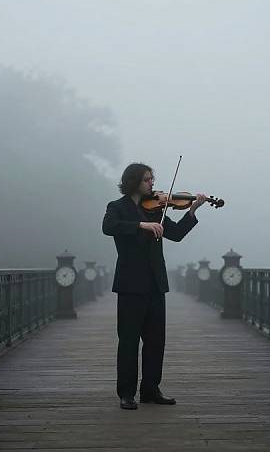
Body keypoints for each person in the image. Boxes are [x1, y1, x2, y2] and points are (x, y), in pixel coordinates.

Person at [102, 162, 206, 410]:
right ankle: (126, 393)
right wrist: (141, 225)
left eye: (152, 179)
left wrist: (192, 209)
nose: (152, 183)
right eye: (147, 179)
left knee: (155, 340)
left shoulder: (155, 209)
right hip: (130, 284)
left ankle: (150, 389)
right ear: (134, 181)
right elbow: (108, 227)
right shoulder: (117, 208)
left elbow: (177, 233)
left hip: (156, 284)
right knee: (128, 341)